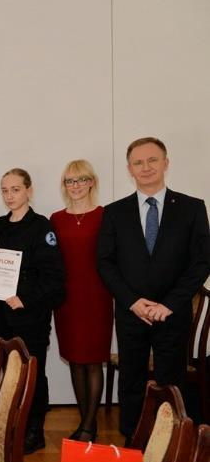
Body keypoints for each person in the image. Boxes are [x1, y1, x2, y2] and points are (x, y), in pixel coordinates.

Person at [97, 137, 210, 442]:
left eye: (152, 160)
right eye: (138, 162)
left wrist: (169, 304)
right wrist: (133, 302)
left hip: (172, 313)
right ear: (129, 169)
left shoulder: (192, 208)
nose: (145, 167)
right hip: (131, 312)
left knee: (170, 382)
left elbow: (201, 263)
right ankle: (133, 442)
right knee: (131, 381)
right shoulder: (114, 212)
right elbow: (105, 263)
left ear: (166, 163)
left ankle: (169, 442)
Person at [0, 168, 65, 454]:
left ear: (29, 191)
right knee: (11, 373)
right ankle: (14, 425)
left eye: (15, 189)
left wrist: (25, 298)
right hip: (4, 315)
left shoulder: (42, 227)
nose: (9, 195)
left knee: (32, 374)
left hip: (31, 315)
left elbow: (54, 278)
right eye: (5, 190)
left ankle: (34, 431)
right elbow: (0, 267)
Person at [51, 160, 113, 442]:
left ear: (92, 182)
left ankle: (89, 425)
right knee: (75, 360)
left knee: (93, 360)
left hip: (98, 295)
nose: (75, 186)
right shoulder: (55, 219)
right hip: (66, 299)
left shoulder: (106, 216)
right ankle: (85, 420)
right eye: (69, 181)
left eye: (80, 179)